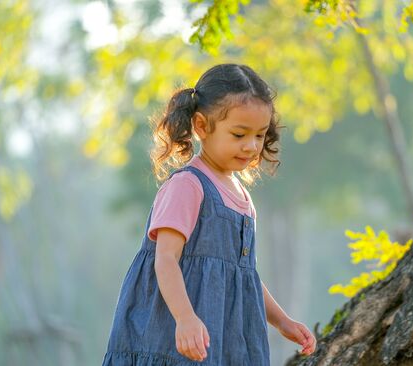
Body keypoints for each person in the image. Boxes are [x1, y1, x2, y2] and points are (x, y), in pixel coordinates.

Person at [102, 63, 316, 365]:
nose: (252, 146)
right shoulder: (188, 186)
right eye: (240, 134)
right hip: (176, 339)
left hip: (228, 343)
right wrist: (185, 318)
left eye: (259, 135)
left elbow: (245, 277)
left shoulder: (242, 197)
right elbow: (165, 260)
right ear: (202, 126)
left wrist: (282, 322)